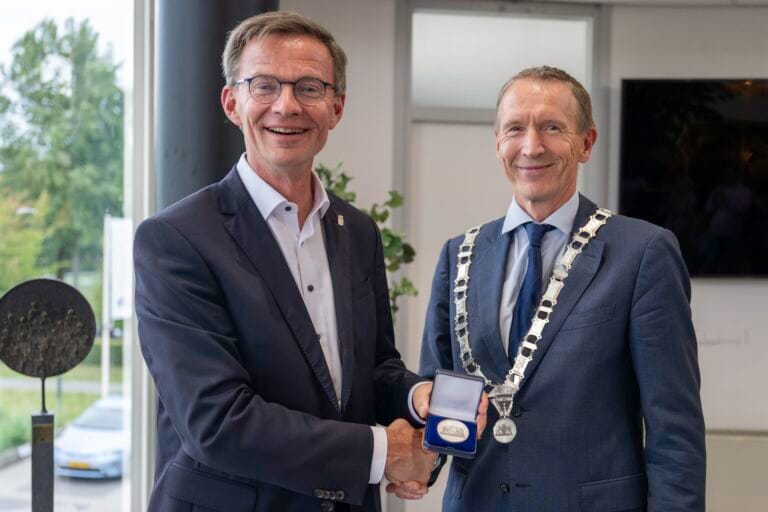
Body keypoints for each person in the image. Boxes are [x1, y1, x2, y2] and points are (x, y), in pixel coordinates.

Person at [134, 12, 443, 512]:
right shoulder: (175, 239)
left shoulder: (357, 231)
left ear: (336, 107)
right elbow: (216, 422)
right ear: (232, 103)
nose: (287, 105)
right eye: (264, 85)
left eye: (309, 88)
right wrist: (384, 451)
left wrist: (417, 397)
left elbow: (373, 368)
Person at [414, 66, 706, 511]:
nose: (532, 146)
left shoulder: (643, 253)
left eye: (552, 127)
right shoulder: (459, 254)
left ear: (586, 143)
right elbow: (438, 385)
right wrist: (418, 461)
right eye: (515, 128)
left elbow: (674, 426)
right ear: (498, 143)